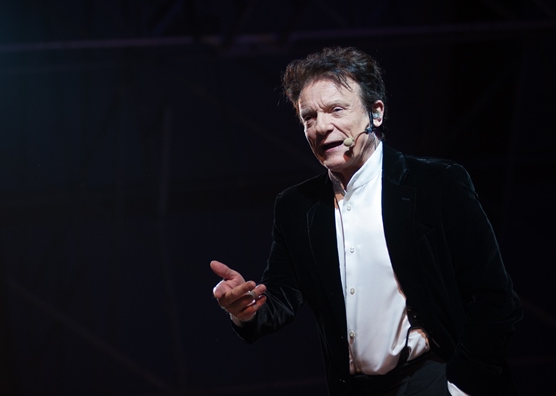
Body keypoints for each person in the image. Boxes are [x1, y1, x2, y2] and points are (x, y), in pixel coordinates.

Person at [211, 46, 522, 396]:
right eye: (308, 117)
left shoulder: (435, 184)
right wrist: (246, 309)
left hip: (435, 378)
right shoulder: (297, 207)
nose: (321, 127)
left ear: (376, 113)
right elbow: (281, 297)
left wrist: (461, 386)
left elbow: (495, 298)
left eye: (336, 109)